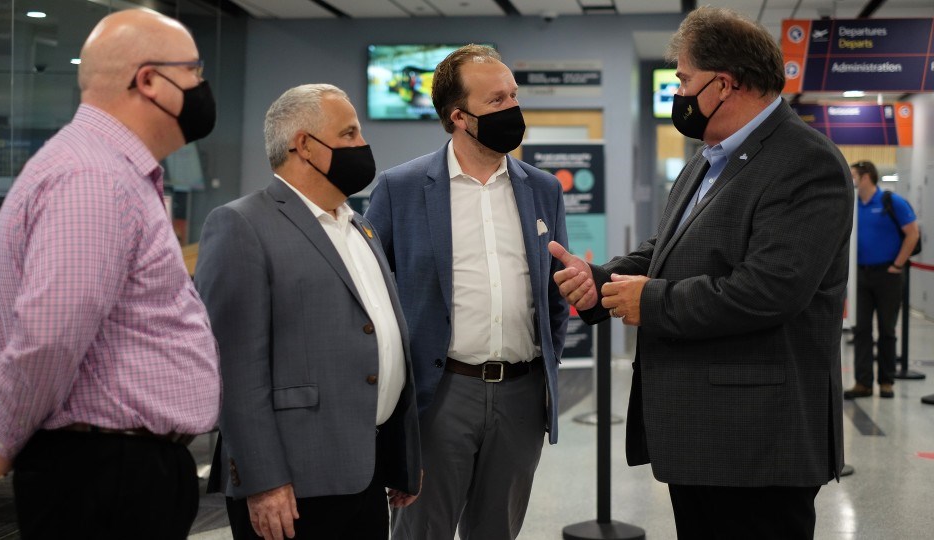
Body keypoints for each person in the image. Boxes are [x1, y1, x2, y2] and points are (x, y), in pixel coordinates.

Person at [549, 7, 851, 539]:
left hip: (759, 441)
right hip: (702, 433)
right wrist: (602, 281)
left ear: (724, 83)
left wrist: (652, 302)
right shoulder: (707, 158)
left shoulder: (806, 162)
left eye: (684, 79)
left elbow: (769, 291)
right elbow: (666, 250)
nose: (679, 92)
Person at [0, 8, 221, 539]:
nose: (203, 87)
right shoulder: (94, 178)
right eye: (194, 72)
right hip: (104, 475)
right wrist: (8, 432)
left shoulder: (110, 170)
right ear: (149, 80)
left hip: (116, 469)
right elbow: (51, 335)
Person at [193, 84, 421, 540]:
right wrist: (263, 481)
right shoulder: (242, 224)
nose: (363, 145)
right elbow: (233, 369)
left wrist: (402, 457)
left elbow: (379, 338)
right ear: (304, 145)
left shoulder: (361, 227)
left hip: (367, 471)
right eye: (350, 132)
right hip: (293, 486)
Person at [365, 44, 569, 539]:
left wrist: (547, 364)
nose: (514, 110)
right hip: (438, 398)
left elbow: (554, 294)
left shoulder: (543, 189)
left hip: (521, 398)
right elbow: (371, 300)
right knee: (422, 531)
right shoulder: (401, 188)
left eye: (514, 96)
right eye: (497, 101)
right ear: (459, 116)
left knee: (497, 531)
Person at [845, 160, 920, 399]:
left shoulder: (891, 202)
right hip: (859, 275)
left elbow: (913, 233)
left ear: (866, 176)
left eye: (853, 175)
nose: (851, 180)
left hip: (888, 275)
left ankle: (886, 381)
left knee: (887, 329)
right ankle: (862, 382)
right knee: (861, 329)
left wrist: (897, 265)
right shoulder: (852, 204)